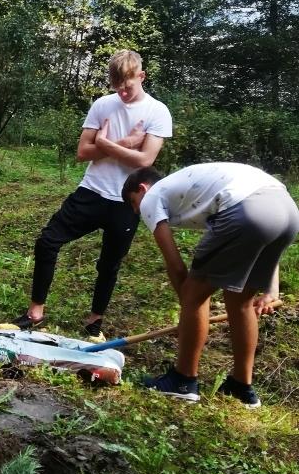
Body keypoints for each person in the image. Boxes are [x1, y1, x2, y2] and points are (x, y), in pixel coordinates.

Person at [14, 50, 172, 338]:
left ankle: (94, 320)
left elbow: (145, 160)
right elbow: (82, 152)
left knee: (109, 264)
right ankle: (35, 311)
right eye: (117, 87)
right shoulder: (102, 105)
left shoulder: (157, 112)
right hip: (92, 190)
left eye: (128, 86)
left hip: (127, 201)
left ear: (141, 76)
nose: (122, 93)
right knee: (47, 242)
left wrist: (106, 143)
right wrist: (125, 142)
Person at [122, 162, 299, 407]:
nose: (137, 210)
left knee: (194, 294)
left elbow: (176, 266)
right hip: (287, 211)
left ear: (142, 188)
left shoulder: (152, 196)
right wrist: (272, 288)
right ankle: (241, 386)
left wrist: (189, 308)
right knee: (240, 302)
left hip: (246, 210)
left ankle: (183, 380)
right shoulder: (191, 188)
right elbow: (263, 226)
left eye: (133, 202)